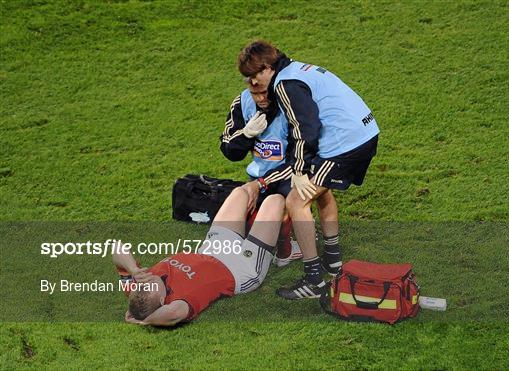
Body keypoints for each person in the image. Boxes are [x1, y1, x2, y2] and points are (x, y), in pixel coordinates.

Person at [237, 40, 380, 300]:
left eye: (254, 76)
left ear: (268, 67)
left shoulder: (284, 84)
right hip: (365, 133)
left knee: (296, 200)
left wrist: (300, 170)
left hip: (344, 144)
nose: (252, 84)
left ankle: (314, 280)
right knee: (321, 192)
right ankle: (333, 261)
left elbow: (305, 128)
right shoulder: (299, 69)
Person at [113, 185, 285, 326]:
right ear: (162, 299)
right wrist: (145, 321)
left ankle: (253, 223)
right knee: (275, 201)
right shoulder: (179, 302)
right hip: (240, 269)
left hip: (213, 249)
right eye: (151, 285)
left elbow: (116, 248)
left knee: (240, 193)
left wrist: (133, 270)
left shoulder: (138, 286)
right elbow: (173, 314)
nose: (148, 279)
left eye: (141, 285)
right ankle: (287, 249)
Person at [220, 82, 301, 266]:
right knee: (244, 204)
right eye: (255, 93)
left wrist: (261, 183)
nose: (261, 99)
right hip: (258, 175)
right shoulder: (242, 102)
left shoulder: (291, 105)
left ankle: (284, 250)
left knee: (289, 200)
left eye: (265, 93)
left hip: (290, 174)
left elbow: (300, 161)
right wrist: (245, 135)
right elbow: (228, 149)